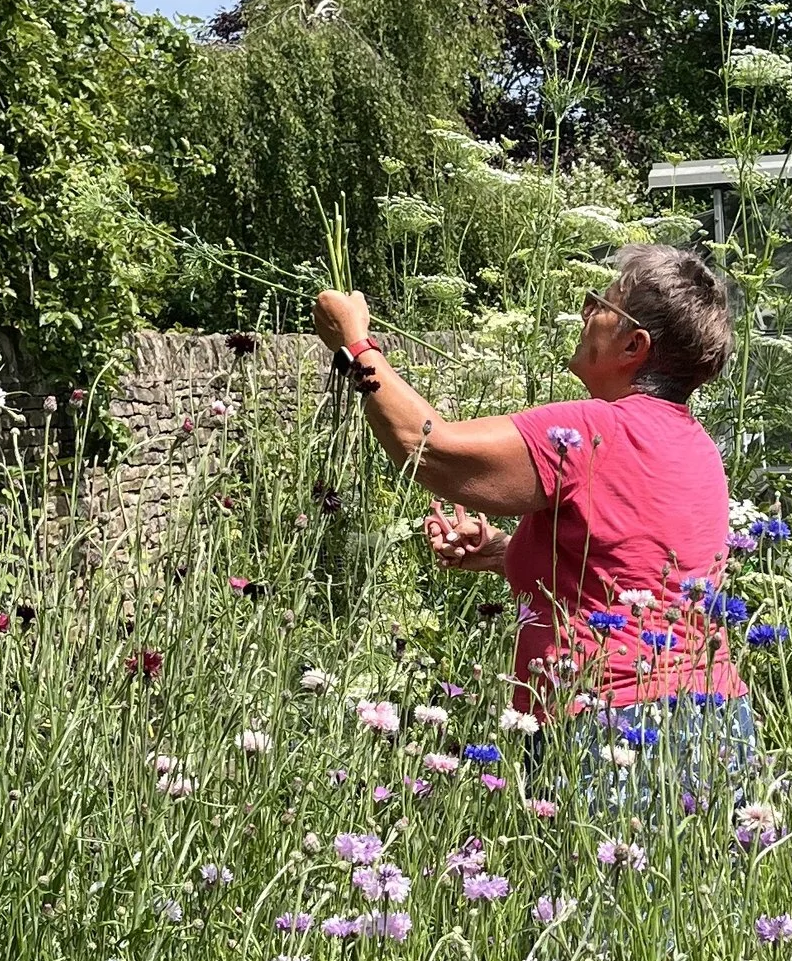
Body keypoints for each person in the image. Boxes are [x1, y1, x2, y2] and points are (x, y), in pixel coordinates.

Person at [309, 246, 753, 803]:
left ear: (633, 347)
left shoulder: (594, 429)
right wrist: (500, 551)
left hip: (611, 730)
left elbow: (430, 449)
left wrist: (355, 345)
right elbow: (623, 568)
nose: (587, 313)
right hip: (715, 726)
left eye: (603, 304)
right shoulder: (698, 446)